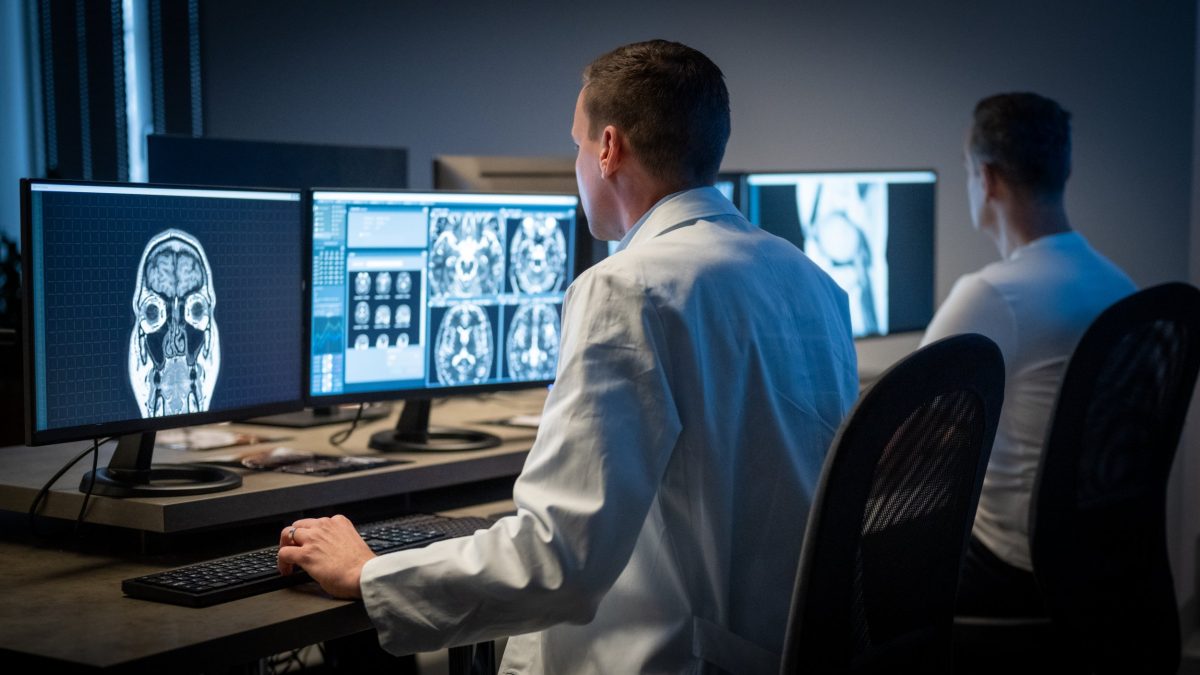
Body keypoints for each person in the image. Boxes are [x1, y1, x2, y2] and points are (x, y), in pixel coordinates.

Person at [278, 39, 857, 673]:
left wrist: (369, 572)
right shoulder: (810, 280)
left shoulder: (627, 288)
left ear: (608, 148)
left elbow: (558, 560)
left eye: (577, 145)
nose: (577, 164)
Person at [921, 92, 1135, 615]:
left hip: (1010, 568)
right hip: (1101, 561)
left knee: (864, 567)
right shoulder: (1118, 285)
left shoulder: (992, 295)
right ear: (1065, 170)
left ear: (987, 179)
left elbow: (906, 429)